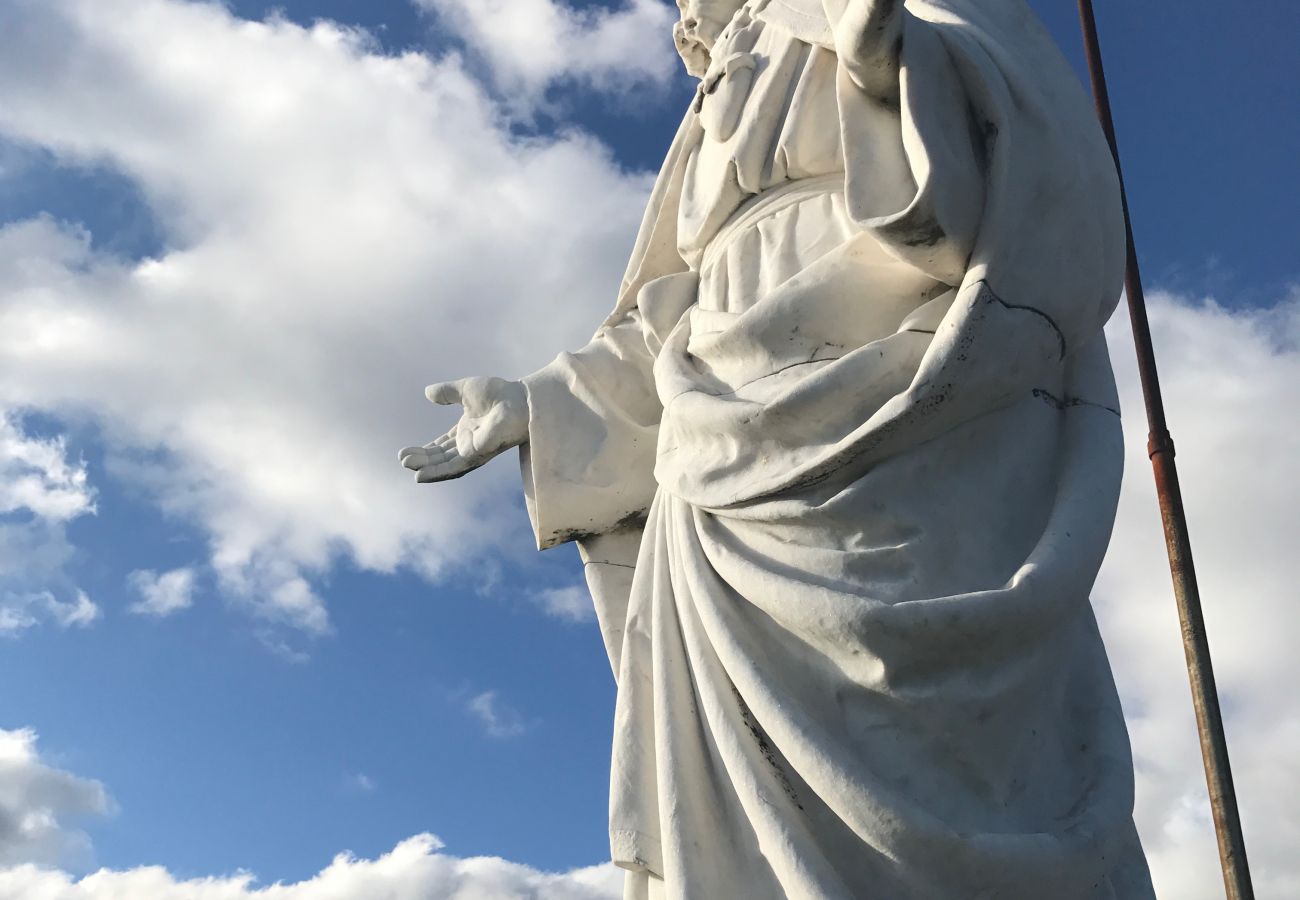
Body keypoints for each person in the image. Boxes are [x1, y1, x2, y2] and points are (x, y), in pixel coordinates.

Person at [401, 0, 1155, 896]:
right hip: (714, 436)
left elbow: (1032, 159)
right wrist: (541, 401)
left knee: (939, 741)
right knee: (733, 826)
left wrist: (895, 68)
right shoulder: (722, 86)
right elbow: (671, 310)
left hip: (904, 397)